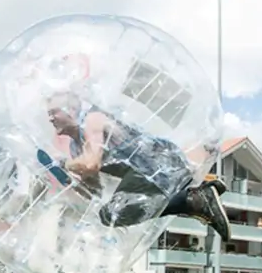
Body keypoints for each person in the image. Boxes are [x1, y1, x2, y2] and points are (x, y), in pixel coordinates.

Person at [42, 91, 231, 242]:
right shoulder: (76, 149)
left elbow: (91, 163)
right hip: (143, 175)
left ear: (70, 110)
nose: (50, 119)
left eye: (53, 112)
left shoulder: (93, 120)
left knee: (113, 213)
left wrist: (64, 163)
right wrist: (70, 182)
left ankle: (193, 200)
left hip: (161, 164)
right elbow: (96, 190)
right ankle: (194, 198)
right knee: (108, 215)